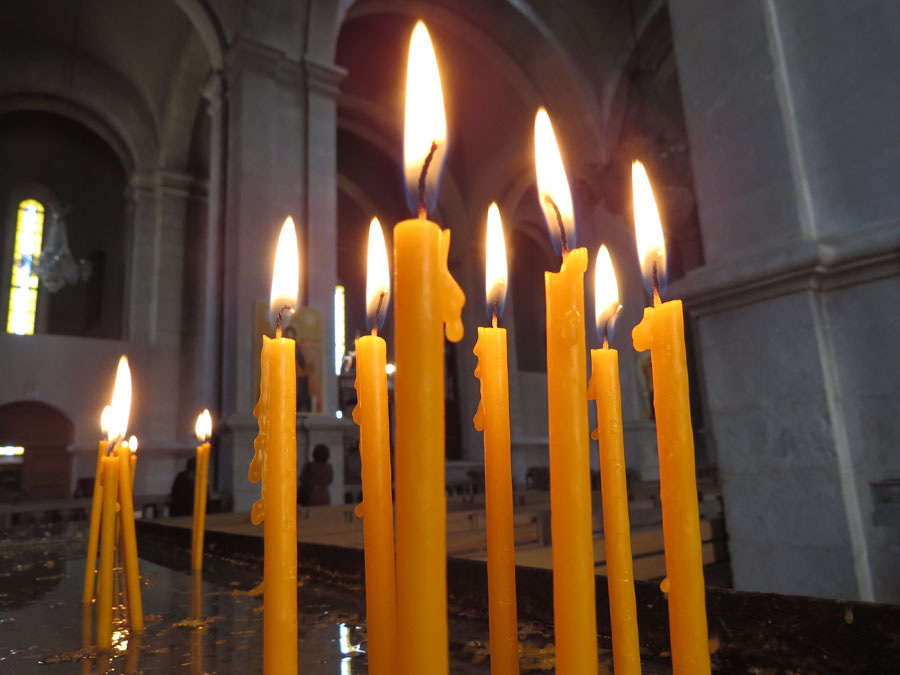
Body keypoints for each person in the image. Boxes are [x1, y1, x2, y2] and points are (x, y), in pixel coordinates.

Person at [283, 325, 312, 412]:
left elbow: (302, 364)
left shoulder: (298, 349)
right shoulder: (281, 348)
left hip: (298, 377)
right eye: (288, 336)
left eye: (292, 337)